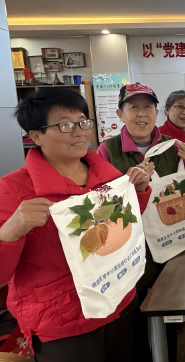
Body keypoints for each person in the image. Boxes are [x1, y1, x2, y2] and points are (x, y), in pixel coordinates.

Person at [0, 88, 152, 362]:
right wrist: (9, 233)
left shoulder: (106, 175)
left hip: (119, 296)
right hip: (63, 320)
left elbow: (120, 230)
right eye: (65, 125)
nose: (79, 132)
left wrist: (138, 192)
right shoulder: (11, 190)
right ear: (36, 135)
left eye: (83, 122)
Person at [96, 83, 185, 362]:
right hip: (130, 247)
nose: (141, 114)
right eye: (133, 107)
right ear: (121, 114)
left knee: (167, 312)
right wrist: (128, 184)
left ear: (157, 112)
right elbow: (98, 202)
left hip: (170, 241)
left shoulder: (173, 145)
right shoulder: (107, 150)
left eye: (147, 107)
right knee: (133, 319)